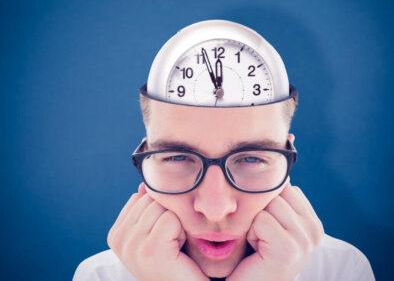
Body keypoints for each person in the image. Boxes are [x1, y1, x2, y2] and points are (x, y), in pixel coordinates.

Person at [73, 22, 375, 281]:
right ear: (146, 154)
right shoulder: (100, 276)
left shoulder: (342, 270)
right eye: (178, 157)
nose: (215, 209)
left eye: (251, 158)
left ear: (288, 154)